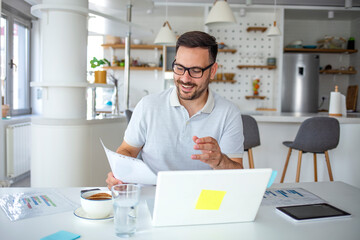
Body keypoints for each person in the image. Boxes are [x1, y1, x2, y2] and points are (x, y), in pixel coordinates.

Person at [106, 31, 244, 189]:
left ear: (212, 71)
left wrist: (220, 161)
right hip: (153, 195)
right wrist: (120, 174)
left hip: (204, 199)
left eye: (196, 70)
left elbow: (238, 176)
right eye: (179, 68)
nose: (185, 78)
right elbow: (127, 150)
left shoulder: (228, 113)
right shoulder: (148, 105)